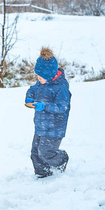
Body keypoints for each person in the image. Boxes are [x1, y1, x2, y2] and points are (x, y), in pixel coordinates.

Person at [25, 47, 71, 178]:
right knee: (35, 153)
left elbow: (62, 107)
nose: (38, 78)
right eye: (37, 75)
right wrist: (29, 96)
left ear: (50, 75)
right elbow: (32, 89)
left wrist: (43, 106)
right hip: (40, 125)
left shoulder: (60, 88)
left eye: (41, 76)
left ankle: (62, 159)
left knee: (46, 152)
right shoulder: (41, 83)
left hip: (54, 128)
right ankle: (42, 174)